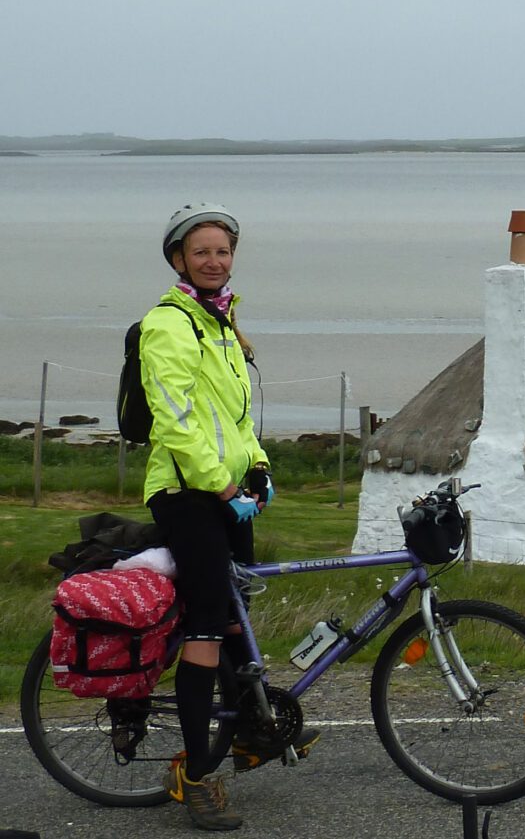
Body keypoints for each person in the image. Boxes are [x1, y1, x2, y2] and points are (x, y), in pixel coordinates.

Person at [141, 204, 313, 831]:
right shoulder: (169, 325)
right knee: (210, 625)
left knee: (237, 619)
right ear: (179, 259)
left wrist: (260, 469)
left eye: (223, 251)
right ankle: (197, 777)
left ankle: (248, 736)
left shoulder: (221, 322)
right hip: (187, 494)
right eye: (201, 252)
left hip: (229, 491)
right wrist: (219, 487)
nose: (214, 260)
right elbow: (176, 420)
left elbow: (235, 422)